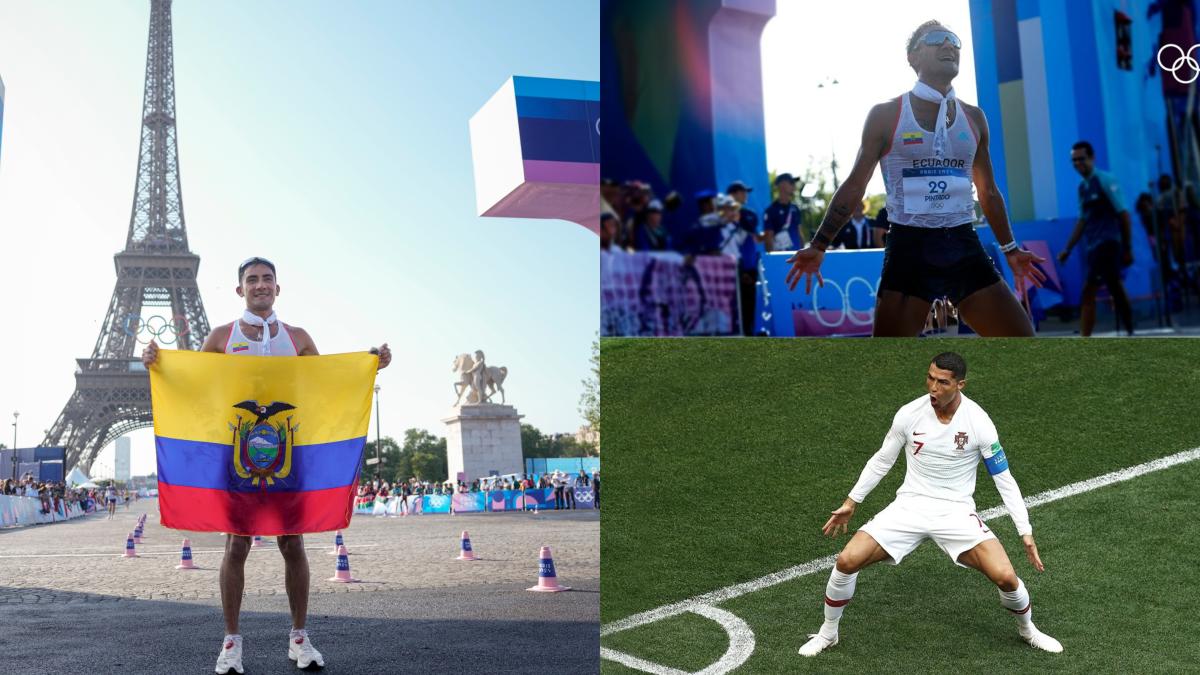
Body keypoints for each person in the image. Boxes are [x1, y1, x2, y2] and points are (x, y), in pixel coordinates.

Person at [142, 256, 392, 674]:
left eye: (267, 279)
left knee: (292, 543)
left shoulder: (298, 337)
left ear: (278, 288)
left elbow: (327, 383)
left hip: (286, 454)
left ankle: (299, 637)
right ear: (240, 290)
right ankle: (232, 642)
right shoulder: (223, 335)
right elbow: (195, 384)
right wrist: (159, 361)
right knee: (236, 545)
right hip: (238, 456)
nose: (260, 285)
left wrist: (368, 365)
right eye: (252, 280)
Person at [785, 21, 1046, 336]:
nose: (949, 45)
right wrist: (819, 244)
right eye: (937, 39)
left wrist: (1011, 249)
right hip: (911, 249)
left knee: (1023, 344)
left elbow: (987, 191)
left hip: (963, 246)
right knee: (890, 366)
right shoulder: (886, 115)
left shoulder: (974, 118)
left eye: (954, 40)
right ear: (913, 57)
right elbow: (856, 184)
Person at [797, 352, 1062, 658]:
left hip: (956, 512)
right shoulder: (909, 414)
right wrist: (851, 502)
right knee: (846, 560)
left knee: (1005, 576)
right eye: (930, 378)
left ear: (960, 384)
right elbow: (882, 460)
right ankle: (829, 633)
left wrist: (1024, 532)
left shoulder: (979, 423)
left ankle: (1028, 630)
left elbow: (1004, 479)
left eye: (943, 382)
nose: (933, 388)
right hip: (909, 507)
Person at [1058, 140, 1134, 336]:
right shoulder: (1082, 188)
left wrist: (1127, 248)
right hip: (1093, 247)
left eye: (1081, 159)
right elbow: (1082, 221)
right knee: (1115, 286)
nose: (1077, 164)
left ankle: (1085, 338)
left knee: (1088, 291)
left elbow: (1124, 215)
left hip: (1108, 244)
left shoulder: (1106, 180)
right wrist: (1068, 248)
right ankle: (1130, 331)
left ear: (1091, 158)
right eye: (1073, 161)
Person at [762, 173, 804, 252]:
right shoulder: (770, 211)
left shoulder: (795, 209)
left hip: (796, 257)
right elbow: (768, 238)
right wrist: (773, 259)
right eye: (791, 183)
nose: (794, 186)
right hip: (780, 257)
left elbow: (799, 233)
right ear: (782, 185)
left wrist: (804, 254)